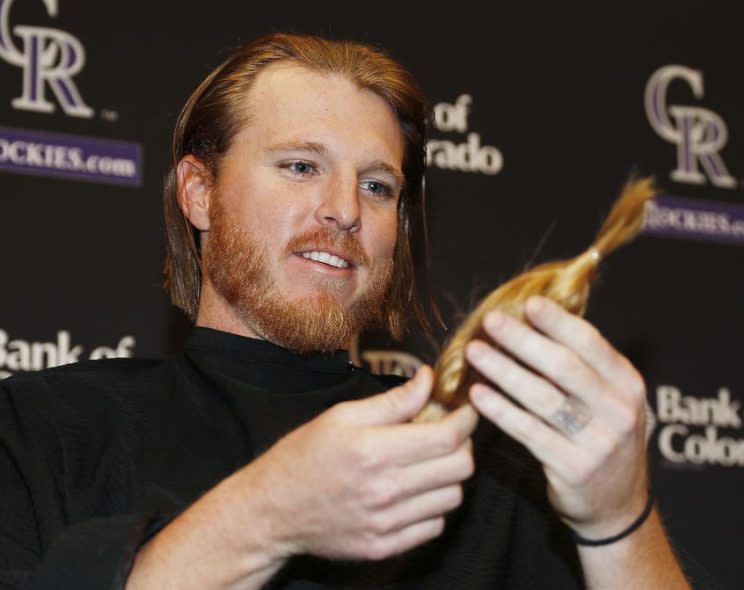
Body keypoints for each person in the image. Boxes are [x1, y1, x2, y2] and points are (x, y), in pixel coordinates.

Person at [0, 33, 695, 590]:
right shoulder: (42, 431)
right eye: (301, 166)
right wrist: (267, 515)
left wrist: (618, 518)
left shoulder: (484, 460)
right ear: (199, 193)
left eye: (377, 185)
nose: (344, 210)